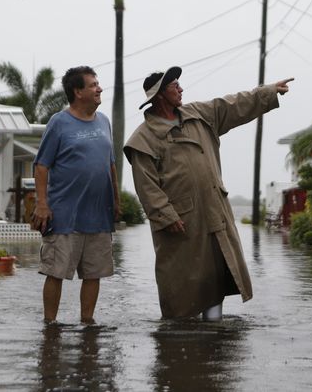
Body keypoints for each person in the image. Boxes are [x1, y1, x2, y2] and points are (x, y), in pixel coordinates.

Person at [123, 66, 293, 320]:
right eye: (175, 86)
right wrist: (165, 216)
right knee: (181, 283)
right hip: (181, 222)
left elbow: (233, 105)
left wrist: (267, 92)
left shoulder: (199, 114)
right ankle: (179, 334)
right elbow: (146, 185)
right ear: (159, 95)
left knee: (215, 276)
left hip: (215, 213)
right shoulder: (143, 138)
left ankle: (213, 331)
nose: (181, 89)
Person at [31, 66, 121, 324]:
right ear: (78, 92)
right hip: (64, 214)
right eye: (93, 85)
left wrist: (116, 201)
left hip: (99, 215)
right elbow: (41, 165)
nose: (99, 88)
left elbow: (111, 164)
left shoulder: (104, 121)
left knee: (94, 273)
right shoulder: (59, 123)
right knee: (55, 272)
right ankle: (50, 325)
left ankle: (87, 323)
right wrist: (42, 204)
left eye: (98, 84)